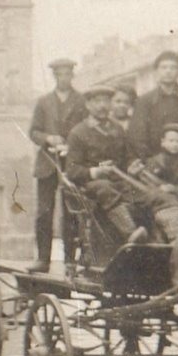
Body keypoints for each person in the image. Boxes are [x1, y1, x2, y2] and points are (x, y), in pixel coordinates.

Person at [64, 85, 146, 253]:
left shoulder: (117, 129)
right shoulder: (78, 133)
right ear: (88, 105)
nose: (102, 106)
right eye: (97, 101)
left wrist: (132, 166)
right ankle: (131, 234)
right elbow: (72, 171)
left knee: (146, 194)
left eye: (106, 101)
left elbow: (127, 156)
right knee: (105, 188)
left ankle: (156, 241)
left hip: (118, 182)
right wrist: (96, 171)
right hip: (92, 186)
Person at [27, 57, 87, 272]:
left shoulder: (82, 101)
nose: (64, 78)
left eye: (68, 74)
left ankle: (70, 260)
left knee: (71, 211)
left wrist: (71, 144)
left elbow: (86, 129)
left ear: (73, 75)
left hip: (72, 162)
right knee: (44, 211)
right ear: (54, 76)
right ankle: (43, 259)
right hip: (47, 163)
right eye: (60, 74)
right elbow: (33, 131)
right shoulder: (43, 102)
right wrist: (48, 139)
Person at [129, 51, 178, 168]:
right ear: (156, 71)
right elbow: (137, 137)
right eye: (163, 67)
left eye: (173, 67)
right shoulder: (144, 101)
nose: (168, 71)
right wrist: (149, 161)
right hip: (152, 165)